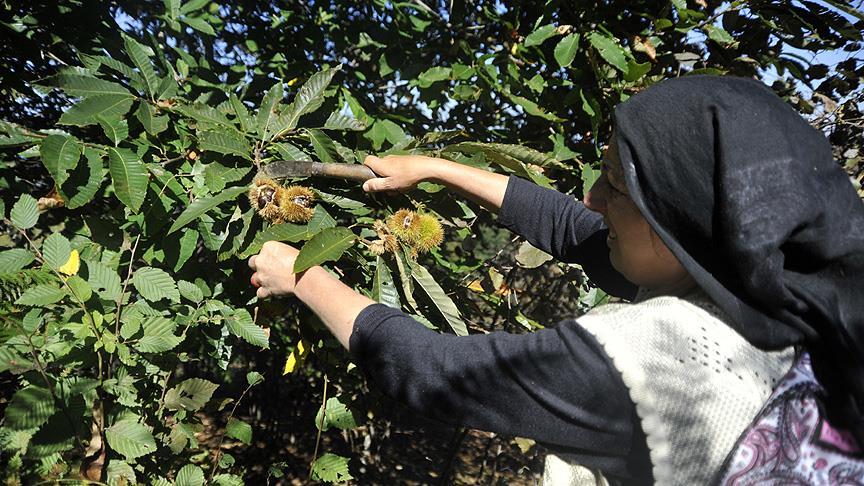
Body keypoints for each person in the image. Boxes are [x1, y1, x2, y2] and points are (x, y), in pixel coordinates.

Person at [247, 76, 864, 484]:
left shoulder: (661, 362)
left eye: (616, 188)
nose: (592, 199)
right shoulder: (791, 301)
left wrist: (302, 276)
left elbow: (438, 372)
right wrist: (436, 170)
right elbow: (576, 229)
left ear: (680, 222)